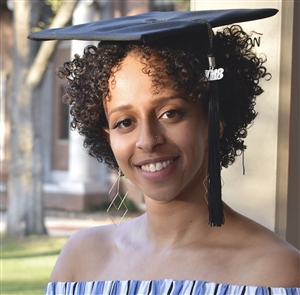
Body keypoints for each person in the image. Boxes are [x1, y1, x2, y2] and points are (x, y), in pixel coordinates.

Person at [29, 9, 300, 295]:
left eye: (170, 113)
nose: (147, 140)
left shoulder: (274, 272)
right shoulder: (80, 261)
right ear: (107, 137)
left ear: (213, 121)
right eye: (125, 122)